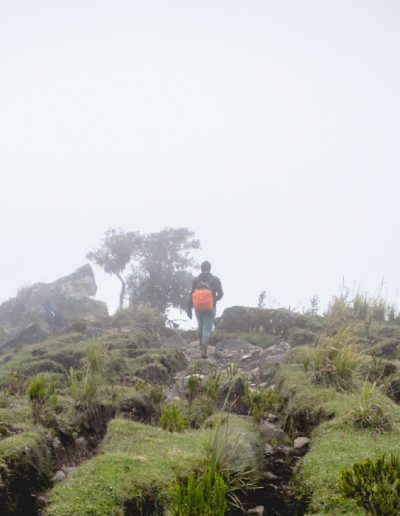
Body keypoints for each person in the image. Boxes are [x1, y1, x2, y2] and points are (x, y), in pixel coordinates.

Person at [187, 261, 223, 358]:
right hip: (211, 307)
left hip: (198, 307)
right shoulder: (215, 280)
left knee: (200, 325)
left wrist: (189, 308)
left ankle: (201, 344)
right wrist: (215, 299)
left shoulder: (196, 280)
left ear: (201, 269)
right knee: (207, 328)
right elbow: (221, 294)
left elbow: (191, 295)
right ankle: (204, 348)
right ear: (210, 269)